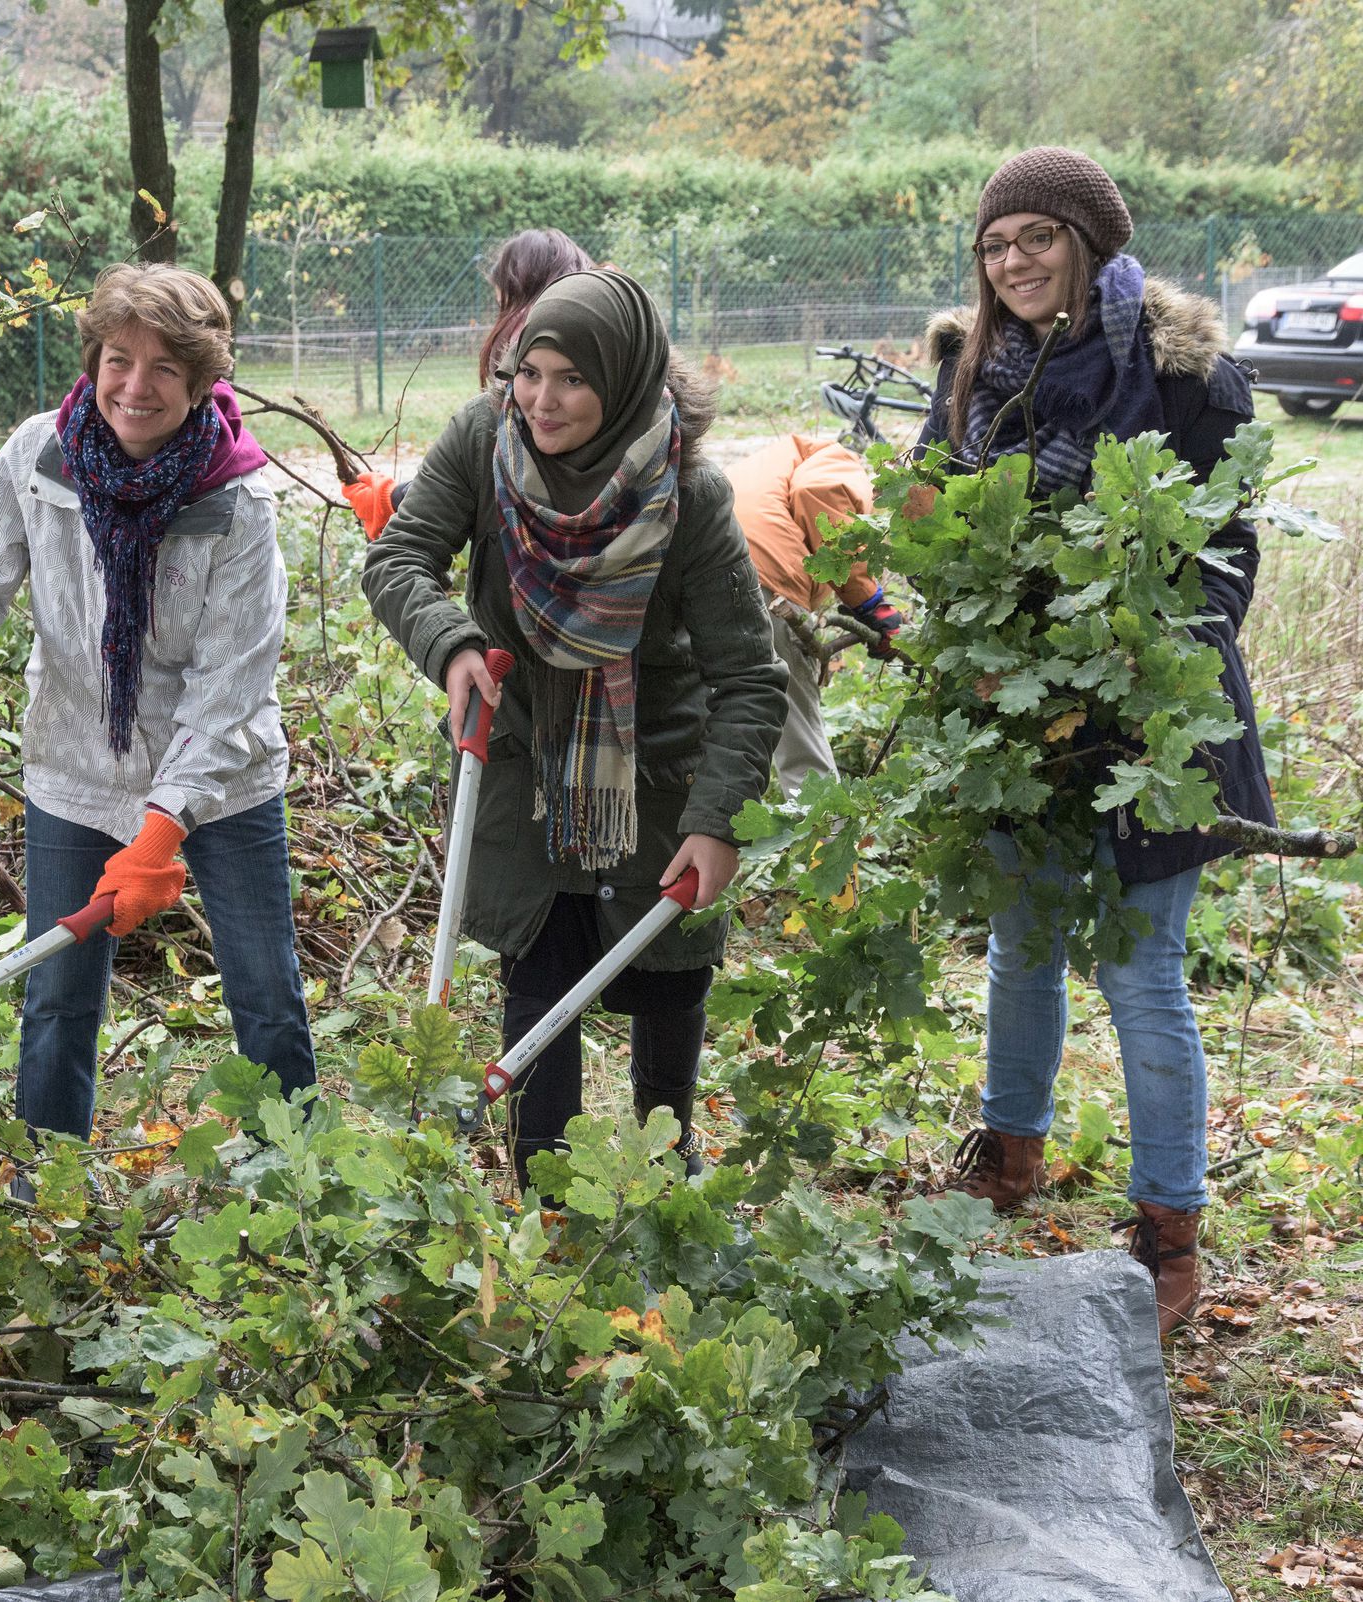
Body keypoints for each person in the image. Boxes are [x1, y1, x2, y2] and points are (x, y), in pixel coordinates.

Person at [916, 147, 1269, 1336]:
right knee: (1021, 946)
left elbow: (1227, 556)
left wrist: (1143, 646)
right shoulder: (974, 372)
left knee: (1140, 972)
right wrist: (953, 633)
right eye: (995, 243)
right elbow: (929, 514)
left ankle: (1170, 1227)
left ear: (1092, 242)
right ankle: (1006, 1156)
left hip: (1152, 716)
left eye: (1038, 238)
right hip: (1014, 714)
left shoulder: (1188, 377)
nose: (1013, 262)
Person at [362, 270, 785, 1191]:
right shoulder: (484, 443)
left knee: (667, 976)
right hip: (521, 759)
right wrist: (453, 645)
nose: (541, 400)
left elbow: (750, 680)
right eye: (529, 372)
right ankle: (544, 1200)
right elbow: (398, 557)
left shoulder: (689, 496)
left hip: (654, 770)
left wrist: (715, 822)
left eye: (572, 381)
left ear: (626, 382)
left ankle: (665, 1172)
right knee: (539, 979)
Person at [0, 262, 316, 1141]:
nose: (136, 386)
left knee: (265, 991)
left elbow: (229, 690)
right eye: (119, 358)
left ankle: (297, 1183)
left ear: (203, 382)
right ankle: (42, 1188)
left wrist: (162, 830)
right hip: (75, 768)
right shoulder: (38, 457)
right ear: (92, 358)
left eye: (165, 368)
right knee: (56, 993)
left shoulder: (236, 501)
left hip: (221, 781)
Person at [343, 229, 599, 541]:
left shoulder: (532, 342)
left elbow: (509, 466)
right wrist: (403, 498)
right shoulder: (614, 343)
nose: (543, 400)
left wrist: (397, 499)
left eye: (503, 304)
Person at [723, 435, 904, 794]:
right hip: (764, 582)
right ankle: (823, 844)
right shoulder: (835, 460)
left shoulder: (768, 461)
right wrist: (872, 606)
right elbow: (818, 492)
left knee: (726, 725)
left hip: (705, 581)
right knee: (801, 746)